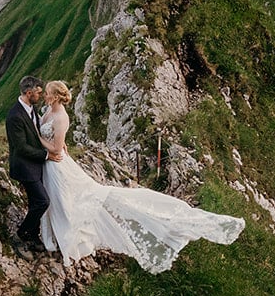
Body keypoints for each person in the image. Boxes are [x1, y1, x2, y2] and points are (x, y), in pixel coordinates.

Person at [36, 80, 243, 273]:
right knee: (60, 200)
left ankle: (68, 237)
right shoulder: (49, 112)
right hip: (54, 164)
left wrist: (37, 139)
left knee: (65, 200)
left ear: (55, 96)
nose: (44, 95)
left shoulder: (61, 117)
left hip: (56, 164)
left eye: (47, 93)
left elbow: (55, 149)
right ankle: (57, 235)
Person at [5, 75, 51, 252]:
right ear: (29, 92)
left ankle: (33, 235)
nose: (40, 96)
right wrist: (46, 155)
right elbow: (21, 147)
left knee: (35, 202)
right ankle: (20, 235)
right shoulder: (15, 116)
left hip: (34, 165)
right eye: (38, 93)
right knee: (42, 201)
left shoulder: (31, 109)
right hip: (24, 166)